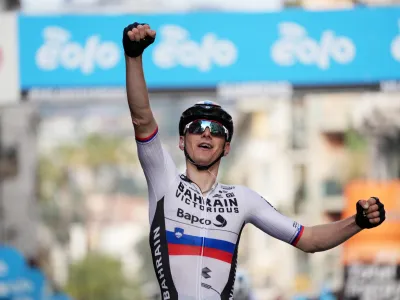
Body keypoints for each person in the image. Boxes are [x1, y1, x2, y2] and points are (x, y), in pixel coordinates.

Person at [122, 22, 386, 300]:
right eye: (196, 127)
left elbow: (309, 239)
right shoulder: (164, 179)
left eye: (217, 131)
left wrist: (357, 222)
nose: (206, 133)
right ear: (181, 141)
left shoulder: (242, 200)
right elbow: (142, 119)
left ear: (226, 148)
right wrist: (134, 57)